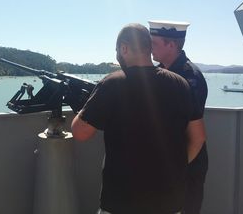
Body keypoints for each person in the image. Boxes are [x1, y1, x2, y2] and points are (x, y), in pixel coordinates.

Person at [71, 23, 197, 214]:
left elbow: (80, 132)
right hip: (170, 200)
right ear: (148, 48)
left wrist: (85, 106)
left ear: (124, 48)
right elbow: (198, 137)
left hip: (122, 201)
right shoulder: (180, 83)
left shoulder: (112, 83)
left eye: (118, 50)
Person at [149, 20, 208, 214]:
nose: (150, 48)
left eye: (154, 43)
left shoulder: (190, 78)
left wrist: (177, 169)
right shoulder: (158, 72)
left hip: (185, 167)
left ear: (171, 45)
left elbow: (194, 135)